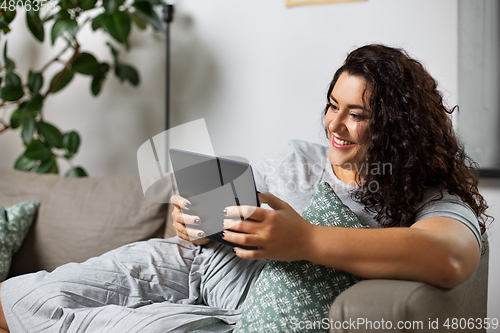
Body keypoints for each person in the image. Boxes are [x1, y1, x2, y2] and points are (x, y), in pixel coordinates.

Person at [0, 44, 490, 333]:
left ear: (396, 126)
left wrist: (305, 241)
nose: (334, 125)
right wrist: (193, 220)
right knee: (21, 297)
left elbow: (450, 257)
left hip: (249, 301)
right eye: (331, 105)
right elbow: (234, 207)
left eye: (357, 114)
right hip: (194, 261)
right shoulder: (298, 157)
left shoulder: (423, 193)